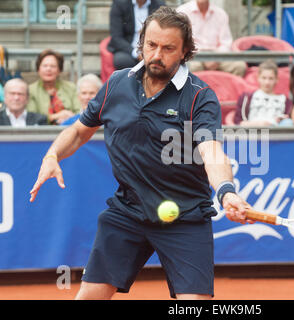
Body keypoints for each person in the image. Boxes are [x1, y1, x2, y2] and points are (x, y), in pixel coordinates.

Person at [29, 7, 252, 300]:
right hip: (128, 210)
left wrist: (226, 191)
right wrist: (52, 156)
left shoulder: (200, 96)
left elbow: (211, 152)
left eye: (168, 48)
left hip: (185, 216)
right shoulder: (117, 84)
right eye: (151, 45)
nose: (157, 54)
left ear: (185, 51)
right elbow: (78, 130)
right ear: (142, 42)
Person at [176, 0, 247, 77]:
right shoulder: (182, 11)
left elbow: (226, 42)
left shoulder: (221, 14)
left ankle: (226, 89)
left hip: (217, 55)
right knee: (190, 67)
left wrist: (216, 58)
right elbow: (180, 41)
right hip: (193, 55)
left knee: (239, 66)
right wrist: (202, 57)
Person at [27, 49, 81, 125]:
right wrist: (55, 116)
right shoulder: (30, 90)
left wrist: (69, 119)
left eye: (53, 66)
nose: (48, 69)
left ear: (59, 70)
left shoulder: (71, 87)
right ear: (38, 69)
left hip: (69, 130)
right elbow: (31, 117)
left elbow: (79, 112)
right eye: (45, 66)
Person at [108, 0, 165, 70]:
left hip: (152, 47)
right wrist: (137, 53)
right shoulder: (120, 3)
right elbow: (116, 37)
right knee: (122, 61)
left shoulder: (159, 4)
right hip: (128, 48)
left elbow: (162, 33)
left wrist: (147, 51)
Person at [234, 60, 293, 127]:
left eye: (271, 78)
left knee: (288, 122)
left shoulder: (285, 101)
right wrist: (260, 124)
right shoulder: (246, 97)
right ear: (258, 78)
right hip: (253, 133)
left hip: (276, 133)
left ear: (277, 79)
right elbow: (239, 122)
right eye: (264, 78)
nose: (267, 82)